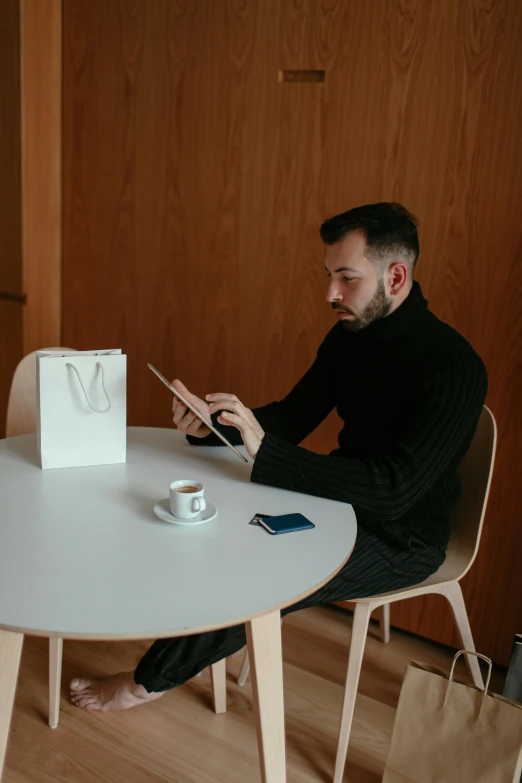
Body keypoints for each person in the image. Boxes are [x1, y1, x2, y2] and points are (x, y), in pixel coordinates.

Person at [70, 202, 487, 711]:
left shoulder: (455, 367)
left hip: (404, 536)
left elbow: (393, 490)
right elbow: (292, 416)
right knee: (218, 527)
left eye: (346, 278)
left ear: (395, 276)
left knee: (257, 566)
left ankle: (145, 682)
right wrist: (214, 425)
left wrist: (264, 450)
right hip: (340, 504)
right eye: (329, 275)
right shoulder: (349, 337)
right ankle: (149, 636)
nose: (330, 293)